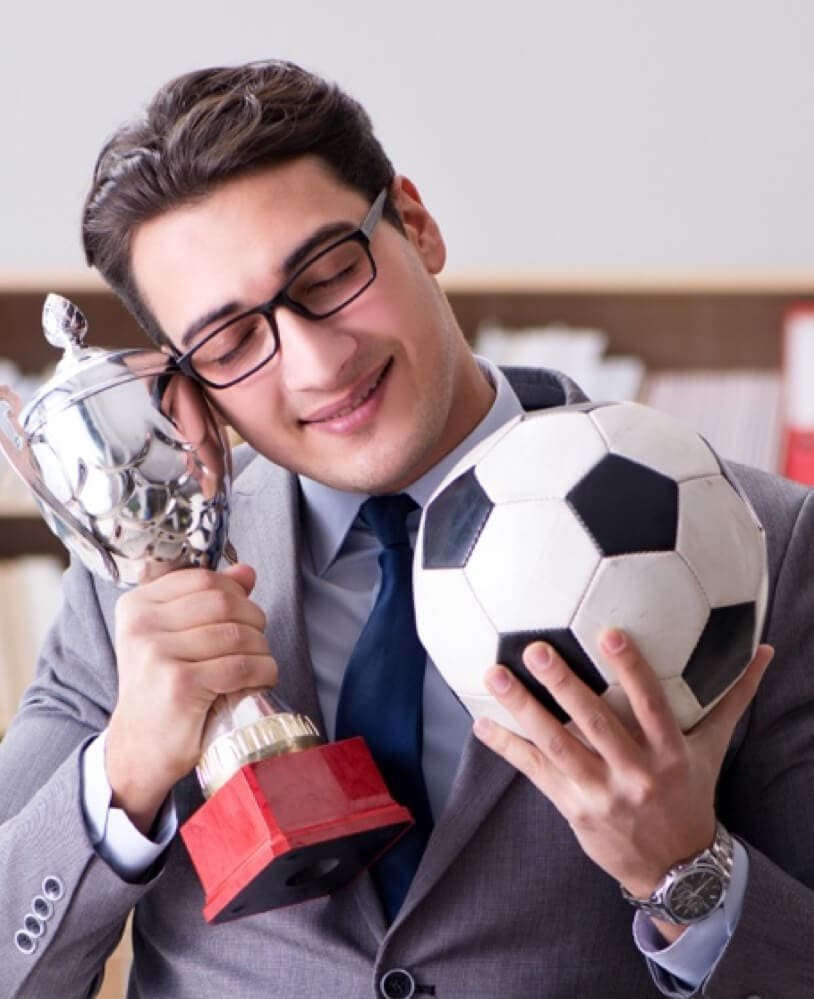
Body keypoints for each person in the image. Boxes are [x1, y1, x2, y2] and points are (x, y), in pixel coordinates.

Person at [1, 60, 813, 999]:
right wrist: (122, 776)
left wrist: (684, 873)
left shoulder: (765, 542)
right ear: (187, 380)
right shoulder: (129, 591)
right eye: (230, 343)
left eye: (331, 271)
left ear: (416, 226)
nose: (316, 362)